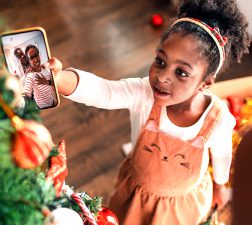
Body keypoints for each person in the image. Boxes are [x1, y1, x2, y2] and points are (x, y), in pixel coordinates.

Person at [46, 0, 250, 224]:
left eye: (181, 72)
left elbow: (222, 155)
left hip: (183, 204)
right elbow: (104, 91)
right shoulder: (144, 94)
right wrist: (60, 79)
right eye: (160, 61)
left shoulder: (218, 120)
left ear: (205, 83)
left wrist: (220, 186)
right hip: (137, 195)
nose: (163, 77)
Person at [23, 44, 57, 109]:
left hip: (52, 102)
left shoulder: (46, 68)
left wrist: (47, 82)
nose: (35, 59)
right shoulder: (30, 75)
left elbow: (55, 83)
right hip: (42, 107)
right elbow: (27, 92)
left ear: (39, 55)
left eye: (36, 55)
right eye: (32, 58)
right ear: (29, 60)